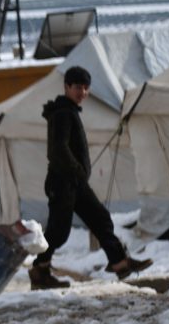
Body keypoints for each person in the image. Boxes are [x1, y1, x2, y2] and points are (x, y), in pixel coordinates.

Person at [30, 65, 153, 290]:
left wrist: (78, 174)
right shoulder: (63, 114)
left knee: (100, 218)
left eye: (86, 88)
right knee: (58, 232)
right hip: (63, 182)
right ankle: (40, 272)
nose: (82, 93)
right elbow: (58, 149)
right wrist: (77, 169)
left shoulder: (68, 111)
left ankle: (119, 263)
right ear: (67, 86)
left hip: (74, 182)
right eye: (78, 87)